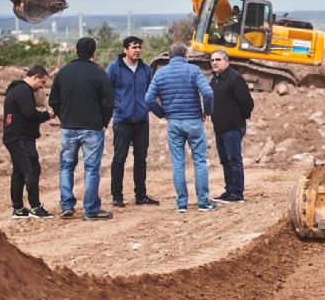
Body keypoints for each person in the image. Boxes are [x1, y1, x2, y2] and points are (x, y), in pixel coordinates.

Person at [145, 43, 216, 213]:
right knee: (199, 162)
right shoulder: (194, 70)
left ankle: (182, 204)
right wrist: (207, 112)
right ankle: (203, 203)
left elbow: (148, 98)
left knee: (178, 164)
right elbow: (208, 93)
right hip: (194, 121)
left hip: (174, 123)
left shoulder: (160, 73)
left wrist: (162, 113)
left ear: (170, 56)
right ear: (185, 54)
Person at [49, 37, 114, 221]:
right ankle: (90, 210)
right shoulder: (100, 73)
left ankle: (67, 206)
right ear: (94, 52)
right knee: (92, 169)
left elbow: (53, 101)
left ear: (76, 51)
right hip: (92, 128)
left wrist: (65, 117)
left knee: (66, 166)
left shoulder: (63, 73)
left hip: (68, 128)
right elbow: (109, 102)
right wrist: (103, 122)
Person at [106, 36, 159, 208]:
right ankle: (117, 196)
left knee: (141, 159)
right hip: (122, 120)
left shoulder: (145, 69)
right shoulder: (114, 68)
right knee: (119, 158)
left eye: (139, 48)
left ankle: (141, 195)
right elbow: (107, 92)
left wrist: (150, 108)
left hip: (142, 121)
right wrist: (118, 106)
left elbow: (152, 91)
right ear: (125, 49)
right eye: (134, 47)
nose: (137, 50)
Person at [3, 65, 55, 219]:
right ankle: (35, 208)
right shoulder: (23, 90)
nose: (42, 86)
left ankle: (18, 209)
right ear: (36, 77)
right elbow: (29, 114)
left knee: (19, 172)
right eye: (42, 82)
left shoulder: (17, 89)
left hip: (15, 136)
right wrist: (47, 115)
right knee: (32, 168)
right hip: (20, 137)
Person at [209, 50, 254, 203]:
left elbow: (247, 102)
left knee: (234, 160)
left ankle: (237, 193)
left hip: (233, 127)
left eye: (218, 59)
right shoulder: (215, 79)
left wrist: (240, 118)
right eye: (212, 60)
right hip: (219, 128)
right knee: (225, 160)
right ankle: (229, 191)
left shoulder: (235, 79)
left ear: (226, 62)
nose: (214, 62)